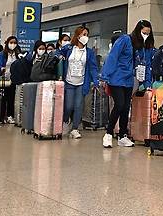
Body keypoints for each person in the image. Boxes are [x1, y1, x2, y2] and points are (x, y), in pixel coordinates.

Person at [101, 20, 154, 148]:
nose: (145, 35)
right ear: (137, 31)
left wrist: (147, 83)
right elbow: (113, 56)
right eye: (143, 32)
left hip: (129, 80)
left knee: (125, 107)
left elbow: (145, 65)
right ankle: (108, 134)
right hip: (116, 78)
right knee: (119, 105)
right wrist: (105, 76)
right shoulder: (125, 40)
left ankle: (122, 136)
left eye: (148, 33)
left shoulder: (144, 47)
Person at [58, 26, 99, 139]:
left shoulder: (89, 52)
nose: (85, 37)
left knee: (78, 106)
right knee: (68, 105)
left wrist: (96, 81)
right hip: (69, 82)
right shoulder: (69, 48)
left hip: (81, 83)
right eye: (83, 34)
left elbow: (93, 68)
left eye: (87, 34)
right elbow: (57, 52)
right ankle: (66, 121)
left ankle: (75, 128)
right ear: (77, 36)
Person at [0, 36, 22, 123]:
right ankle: (1, 116)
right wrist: (1, 68)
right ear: (7, 43)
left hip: (13, 79)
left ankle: (10, 116)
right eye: (11, 42)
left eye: (14, 43)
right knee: (3, 98)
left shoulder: (18, 54)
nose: (13, 44)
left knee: (11, 98)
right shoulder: (2, 54)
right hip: (4, 79)